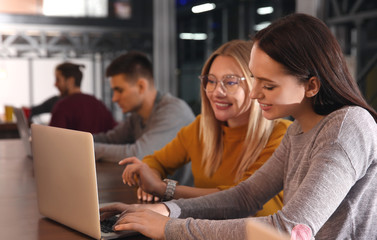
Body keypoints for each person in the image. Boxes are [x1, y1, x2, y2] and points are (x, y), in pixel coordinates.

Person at [100, 13, 377, 240]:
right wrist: (165, 210)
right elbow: (246, 196)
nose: (255, 94)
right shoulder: (298, 131)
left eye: (268, 85)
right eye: (254, 79)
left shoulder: (347, 127)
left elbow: (290, 230)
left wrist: (169, 228)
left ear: (312, 85)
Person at [118, 40, 291, 218]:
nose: (217, 92)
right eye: (211, 81)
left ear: (255, 84)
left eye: (230, 82)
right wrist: (150, 180)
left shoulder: (283, 134)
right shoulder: (201, 128)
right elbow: (155, 161)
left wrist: (163, 189)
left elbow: (240, 199)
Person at [93, 51, 195, 184]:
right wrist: (79, 142)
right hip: (157, 196)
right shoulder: (137, 117)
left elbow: (140, 154)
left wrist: (88, 150)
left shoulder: (173, 110)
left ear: (141, 86)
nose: (114, 98)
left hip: (181, 201)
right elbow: (109, 140)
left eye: (119, 90)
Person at [49, 62, 117, 134]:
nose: (55, 84)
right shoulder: (97, 103)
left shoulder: (62, 106)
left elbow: (54, 138)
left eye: (58, 80)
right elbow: (114, 130)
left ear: (70, 81)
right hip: (99, 145)